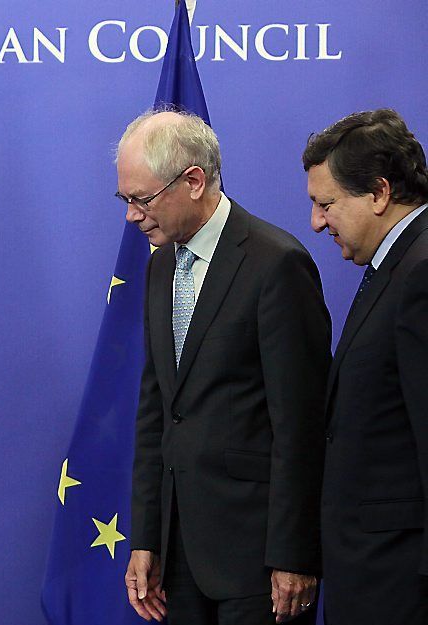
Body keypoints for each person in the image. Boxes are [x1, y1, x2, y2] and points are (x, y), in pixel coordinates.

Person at [117, 110, 331, 625]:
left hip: (258, 561)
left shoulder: (276, 263)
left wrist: (294, 553)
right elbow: (157, 412)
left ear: (193, 181)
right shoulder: (159, 267)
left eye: (141, 199)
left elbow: (301, 425)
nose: (132, 216)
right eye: (124, 200)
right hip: (179, 557)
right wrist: (146, 537)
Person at [303, 108, 428, 624]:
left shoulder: (421, 274)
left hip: (401, 585)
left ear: (378, 193)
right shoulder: (395, 267)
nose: (316, 222)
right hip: (375, 577)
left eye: (326, 204)